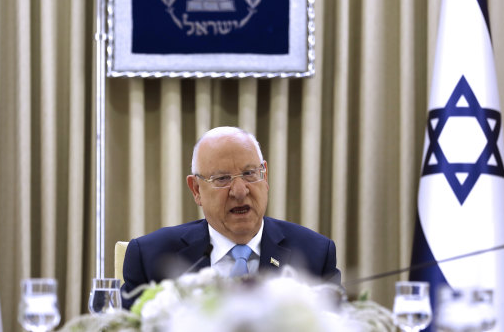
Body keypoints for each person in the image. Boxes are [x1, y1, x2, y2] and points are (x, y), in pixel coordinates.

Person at [121, 126, 341, 309]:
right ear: (196, 189)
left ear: (265, 176)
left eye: (249, 174)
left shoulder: (315, 254)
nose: (239, 191)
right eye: (223, 178)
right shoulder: (151, 257)